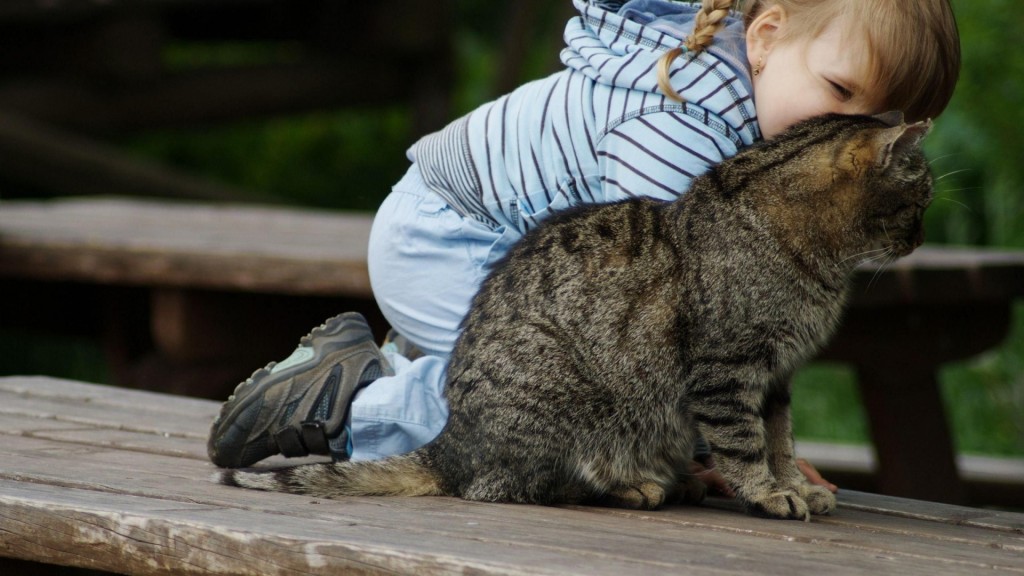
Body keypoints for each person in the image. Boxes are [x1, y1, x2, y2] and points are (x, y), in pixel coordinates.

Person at [207, 0, 960, 495]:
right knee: (527, 403)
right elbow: (646, 319)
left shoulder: (747, 109)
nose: (857, 140)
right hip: (447, 232)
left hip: (492, 238)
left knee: (550, 388)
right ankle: (346, 401)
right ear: (764, 38)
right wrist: (732, 457)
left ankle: (377, 362)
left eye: (884, 123)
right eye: (840, 91)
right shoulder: (686, 124)